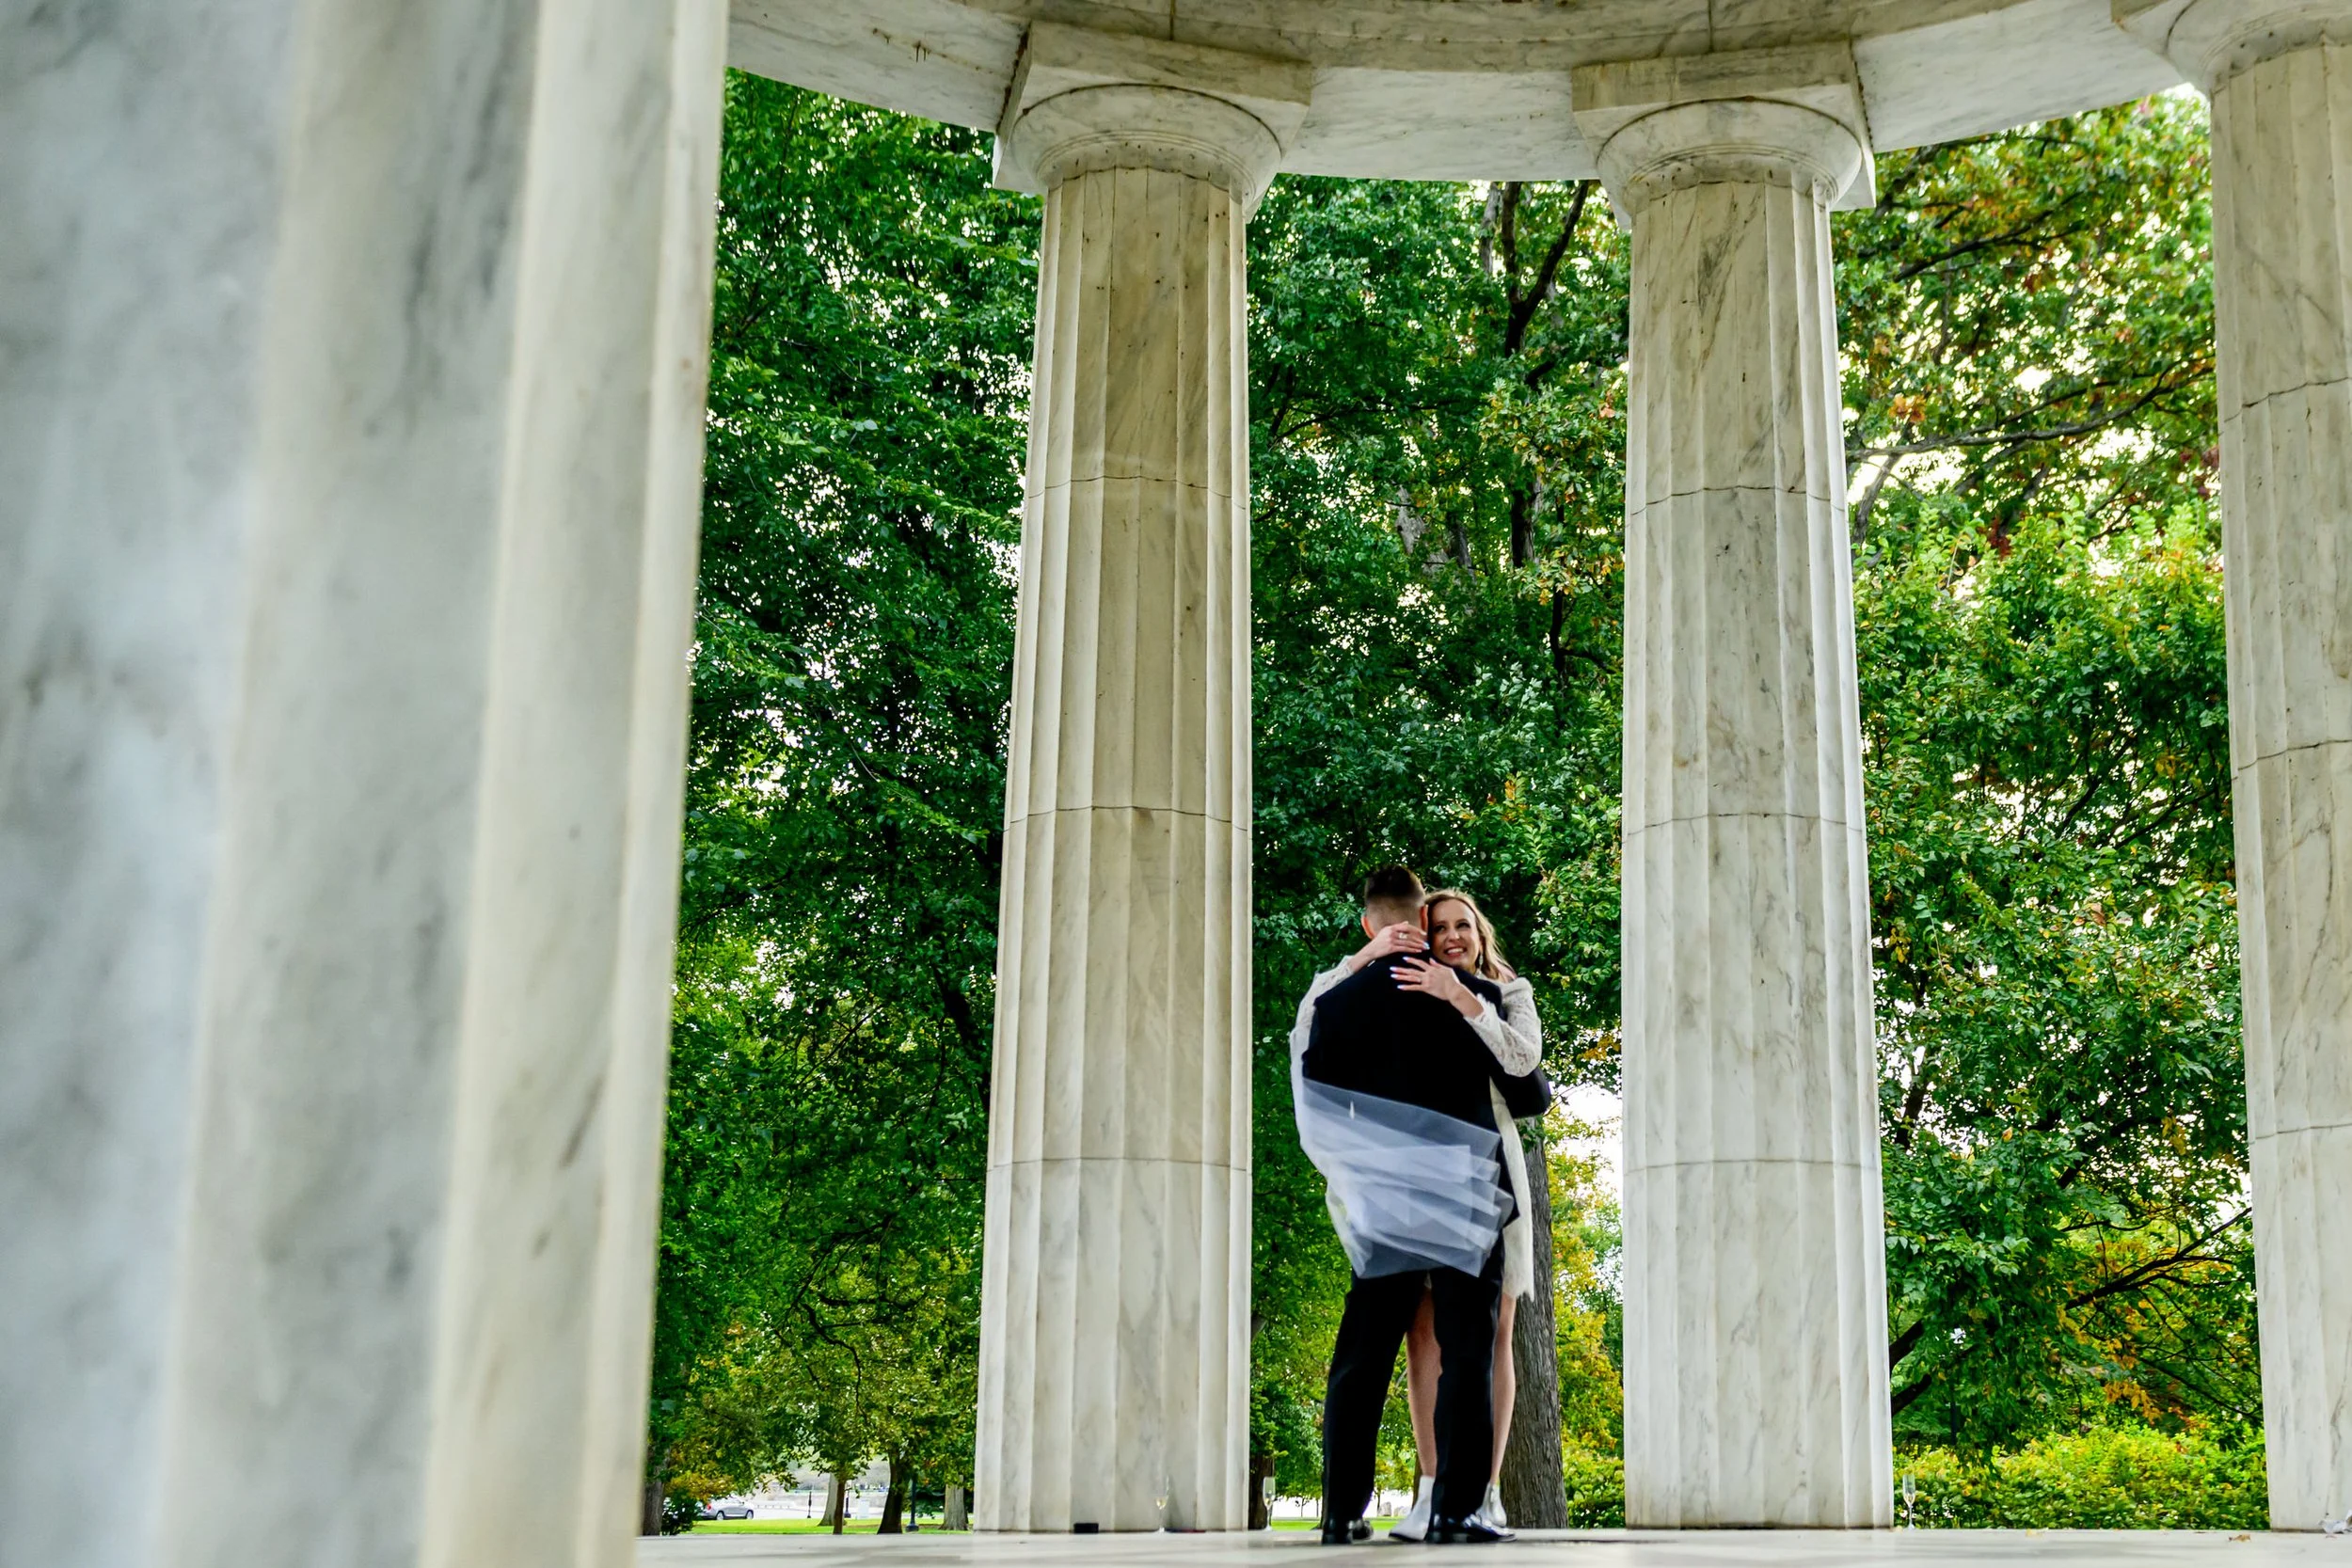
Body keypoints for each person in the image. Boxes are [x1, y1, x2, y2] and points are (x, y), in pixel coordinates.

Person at [1290, 882, 1542, 1543]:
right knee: (1468, 1348)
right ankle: (1457, 1509)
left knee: (1363, 1353)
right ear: (1421, 920)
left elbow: (1312, 1079)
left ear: (1372, 922)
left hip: (1385, 1199)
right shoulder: (1475, 997)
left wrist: (1359, 1168)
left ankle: (1342, 1510)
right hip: (1464, 1189)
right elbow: (1525, 1084)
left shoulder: (1338, 1004)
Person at [1402, 890, 1543, 1540]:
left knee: (1498, 1324)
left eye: (1463, 925)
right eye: (1440, 927)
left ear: (1481, 934)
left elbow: (1522, 1061)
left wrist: (1465, 999)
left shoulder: (1512, 993)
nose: (1452, 935)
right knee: (1424, 1328)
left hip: (1496, 1156)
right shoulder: (1407, 987)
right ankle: (1432, 1488)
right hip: (1426, 1164)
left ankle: (1484, 1489)